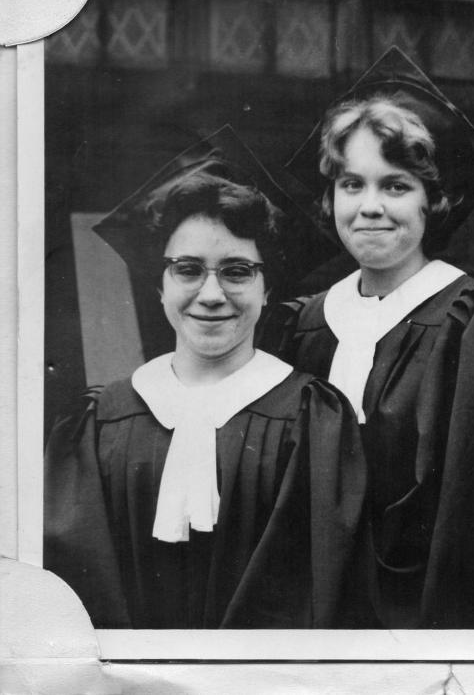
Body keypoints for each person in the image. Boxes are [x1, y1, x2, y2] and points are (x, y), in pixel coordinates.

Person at [256, 47, 474, 629]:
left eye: (396, 186)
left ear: (434, 200)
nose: (369, 207)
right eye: (352, 184)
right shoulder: (301, 326)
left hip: (422, 620)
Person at [44, 128, 367, 629]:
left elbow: (311, 593)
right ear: (159, 284)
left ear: (268, 288)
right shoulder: (101, 420)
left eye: (237, 271)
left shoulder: (310, 419)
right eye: (188, 269)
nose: (211, 294)